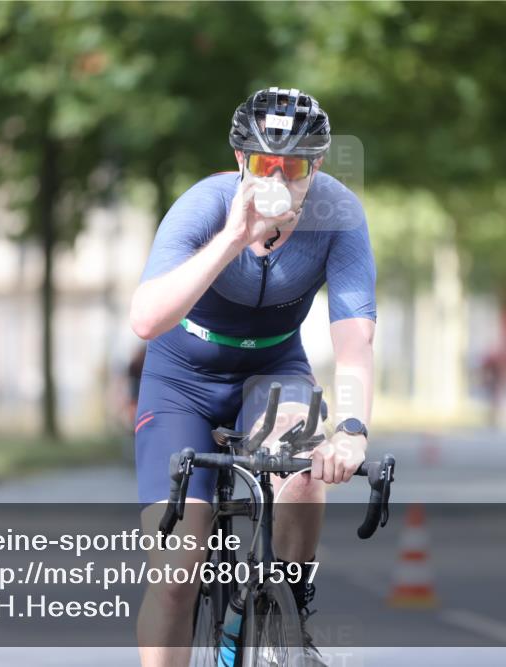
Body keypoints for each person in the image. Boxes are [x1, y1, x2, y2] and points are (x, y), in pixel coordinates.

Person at [130, 87, 376, 667]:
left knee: (304, 472)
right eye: (266, 164)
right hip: (181, 377)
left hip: (272, 368)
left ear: (315, 167)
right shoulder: (204, 204)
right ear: (242, 161)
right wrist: (233, 238)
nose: (279, 177)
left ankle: (288, 610)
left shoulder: (338, 216)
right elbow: (145, 319)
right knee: (174, 576)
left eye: (293, 167)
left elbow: (354, 341)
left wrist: (351, 427)